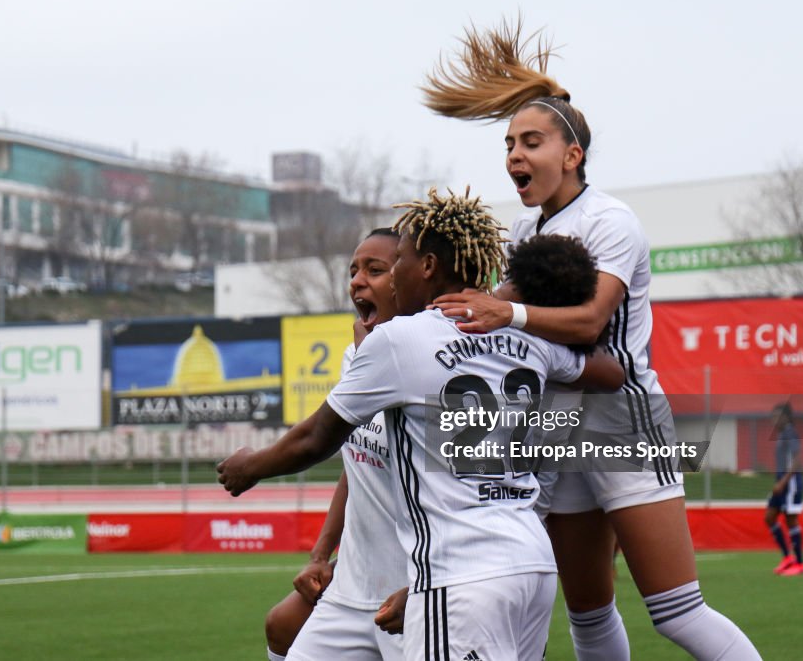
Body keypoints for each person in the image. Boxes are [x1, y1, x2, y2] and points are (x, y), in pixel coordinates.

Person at [423, 19, 761, 660]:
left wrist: (506, 313)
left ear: (571, 154)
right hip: (554, 423)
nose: (514, 156)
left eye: (530, 142)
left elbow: (589, 323)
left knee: (677, 611)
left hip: (622, 415)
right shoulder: (523, 233)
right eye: (509, 144)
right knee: (587, 611)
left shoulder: (611, 220)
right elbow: (491, 317)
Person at [220, 187, 625, 661]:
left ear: (427, 266)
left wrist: (250, 466)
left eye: (399, 261)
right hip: (528, 562)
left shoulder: (401, 340)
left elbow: (315, 438)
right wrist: (516, 314)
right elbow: (610, 372)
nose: (391, 276)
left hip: (460, 571)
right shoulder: (516, 333)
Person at [264, 228, 406, 661]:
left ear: (414, 278)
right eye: (353, 270)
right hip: (352, 586)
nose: (357, 281)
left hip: (412, 588)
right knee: (281, 625)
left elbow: (311, 441)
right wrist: (320, 554)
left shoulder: (425, 360)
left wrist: (253, 467)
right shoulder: (354, 356)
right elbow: (357, 463)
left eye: (375, 270)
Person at [765, 402, 803, 576]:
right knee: (770, 517)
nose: (774, 420)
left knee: (791, 520)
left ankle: (799, 563)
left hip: (791, 483)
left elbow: (797, 460)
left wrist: (783, 483)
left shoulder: (790, 433)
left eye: (777, 416)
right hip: (781, 482)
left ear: (785, 417)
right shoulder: (782, 434)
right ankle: (787, 558)